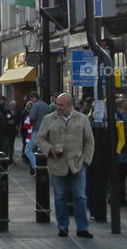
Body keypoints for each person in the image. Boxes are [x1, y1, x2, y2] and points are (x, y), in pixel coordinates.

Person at [37, 92, 94, 238]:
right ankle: (63, 227)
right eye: (56, 104)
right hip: (58, 164)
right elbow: (40, 139)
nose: (57, 107)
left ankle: (82, 228)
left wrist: (86, 161)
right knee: (60, 196)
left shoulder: (82, 119)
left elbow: (89, 141)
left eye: (60, 105)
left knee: (80, 197)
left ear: (70, 105)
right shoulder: (49, 119)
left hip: (77, 164)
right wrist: (50, 149)